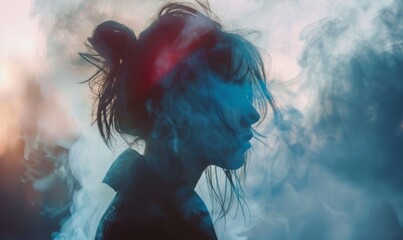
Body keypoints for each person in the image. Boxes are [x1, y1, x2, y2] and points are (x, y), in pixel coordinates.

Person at [81, 2, 277, 239]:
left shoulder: (160, 211)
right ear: (177, 104)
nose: (253, 115)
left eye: (247, 95)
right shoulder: (154, 224)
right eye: (233, 91)